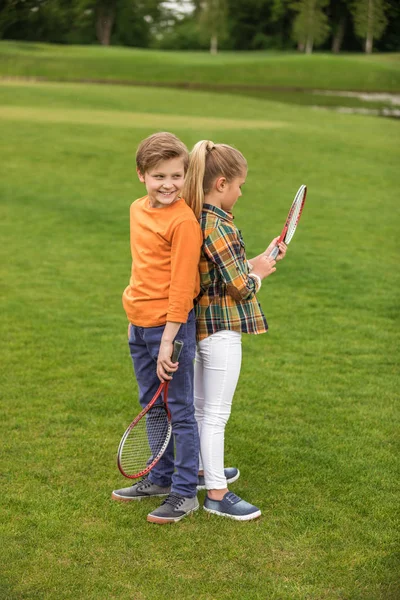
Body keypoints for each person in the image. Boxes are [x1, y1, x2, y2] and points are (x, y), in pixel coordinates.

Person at [183, 140, 287, 521]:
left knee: (198, 409)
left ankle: (198, 470)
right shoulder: (218, 224)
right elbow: (240, 286)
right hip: (222, 330)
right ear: (222, 183)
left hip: (198, 329)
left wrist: (259, 259)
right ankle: (216, 493)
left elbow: (224, 272)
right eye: (240, 185)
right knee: (216, 414)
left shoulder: (196, 217)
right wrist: (257, 275)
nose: (242, 192)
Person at [112, 132, 202, 525]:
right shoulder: (136, 209)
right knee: (151, 407)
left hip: (171, 331)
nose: (168, 184)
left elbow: (182, 287)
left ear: (185, 176)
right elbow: (143, 268)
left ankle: (184, 494)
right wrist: (134, 320)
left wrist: (168, 340)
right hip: (139, 325)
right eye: (159, 176)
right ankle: (160, 478)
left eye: (176, 176)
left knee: (179, 410)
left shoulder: (184, 222)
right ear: (141, 175)